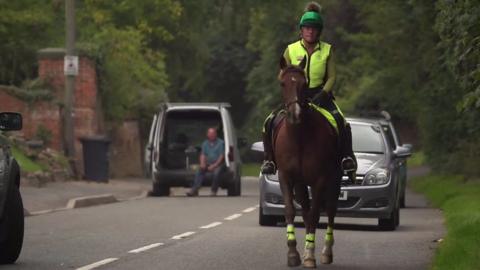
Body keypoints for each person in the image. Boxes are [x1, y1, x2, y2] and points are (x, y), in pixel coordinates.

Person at [260, 2, 357, 181]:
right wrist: (289, 88)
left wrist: (323, 93)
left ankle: (347, 158)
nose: (310, 32)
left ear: (319, 31)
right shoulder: (291, 49)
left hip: (320, 95)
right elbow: (281, 75)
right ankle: (269, 160)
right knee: (269, 121)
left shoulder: (327, 50)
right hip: (296, 96)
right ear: (301, 30)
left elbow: (332, 77)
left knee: (341, 121)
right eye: (307, 28)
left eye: (314, 29)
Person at [186, 128, 225, 197]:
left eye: (213, 134)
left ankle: (213, 191)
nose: (211, 135)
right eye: (210, 134)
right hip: (208, 163)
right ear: (207, 135)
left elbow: (221, 156)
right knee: (199, 171)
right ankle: (194, 189)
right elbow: (203, 155)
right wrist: (202, 163)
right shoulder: (205, 143)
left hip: (218, 164)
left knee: (217, 173)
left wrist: (214, 165)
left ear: (216, 134)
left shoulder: (221, 143)